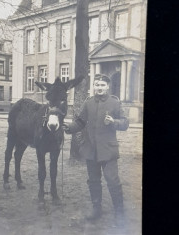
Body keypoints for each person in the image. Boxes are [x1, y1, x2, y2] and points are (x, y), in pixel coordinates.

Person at [62, 74, 129, 226]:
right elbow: (80, 121)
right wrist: (69, 127)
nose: (99, 87)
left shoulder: (115, 103)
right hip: (91, 150)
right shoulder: (89, 102)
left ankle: (119, 212)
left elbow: (125, 123)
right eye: (97, 85)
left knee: (112, 180)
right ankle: (96, 209)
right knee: (93, 180)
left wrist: (114, 122)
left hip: (108, 150)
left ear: (107, 87)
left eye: (102, 85)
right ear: (94, 86)